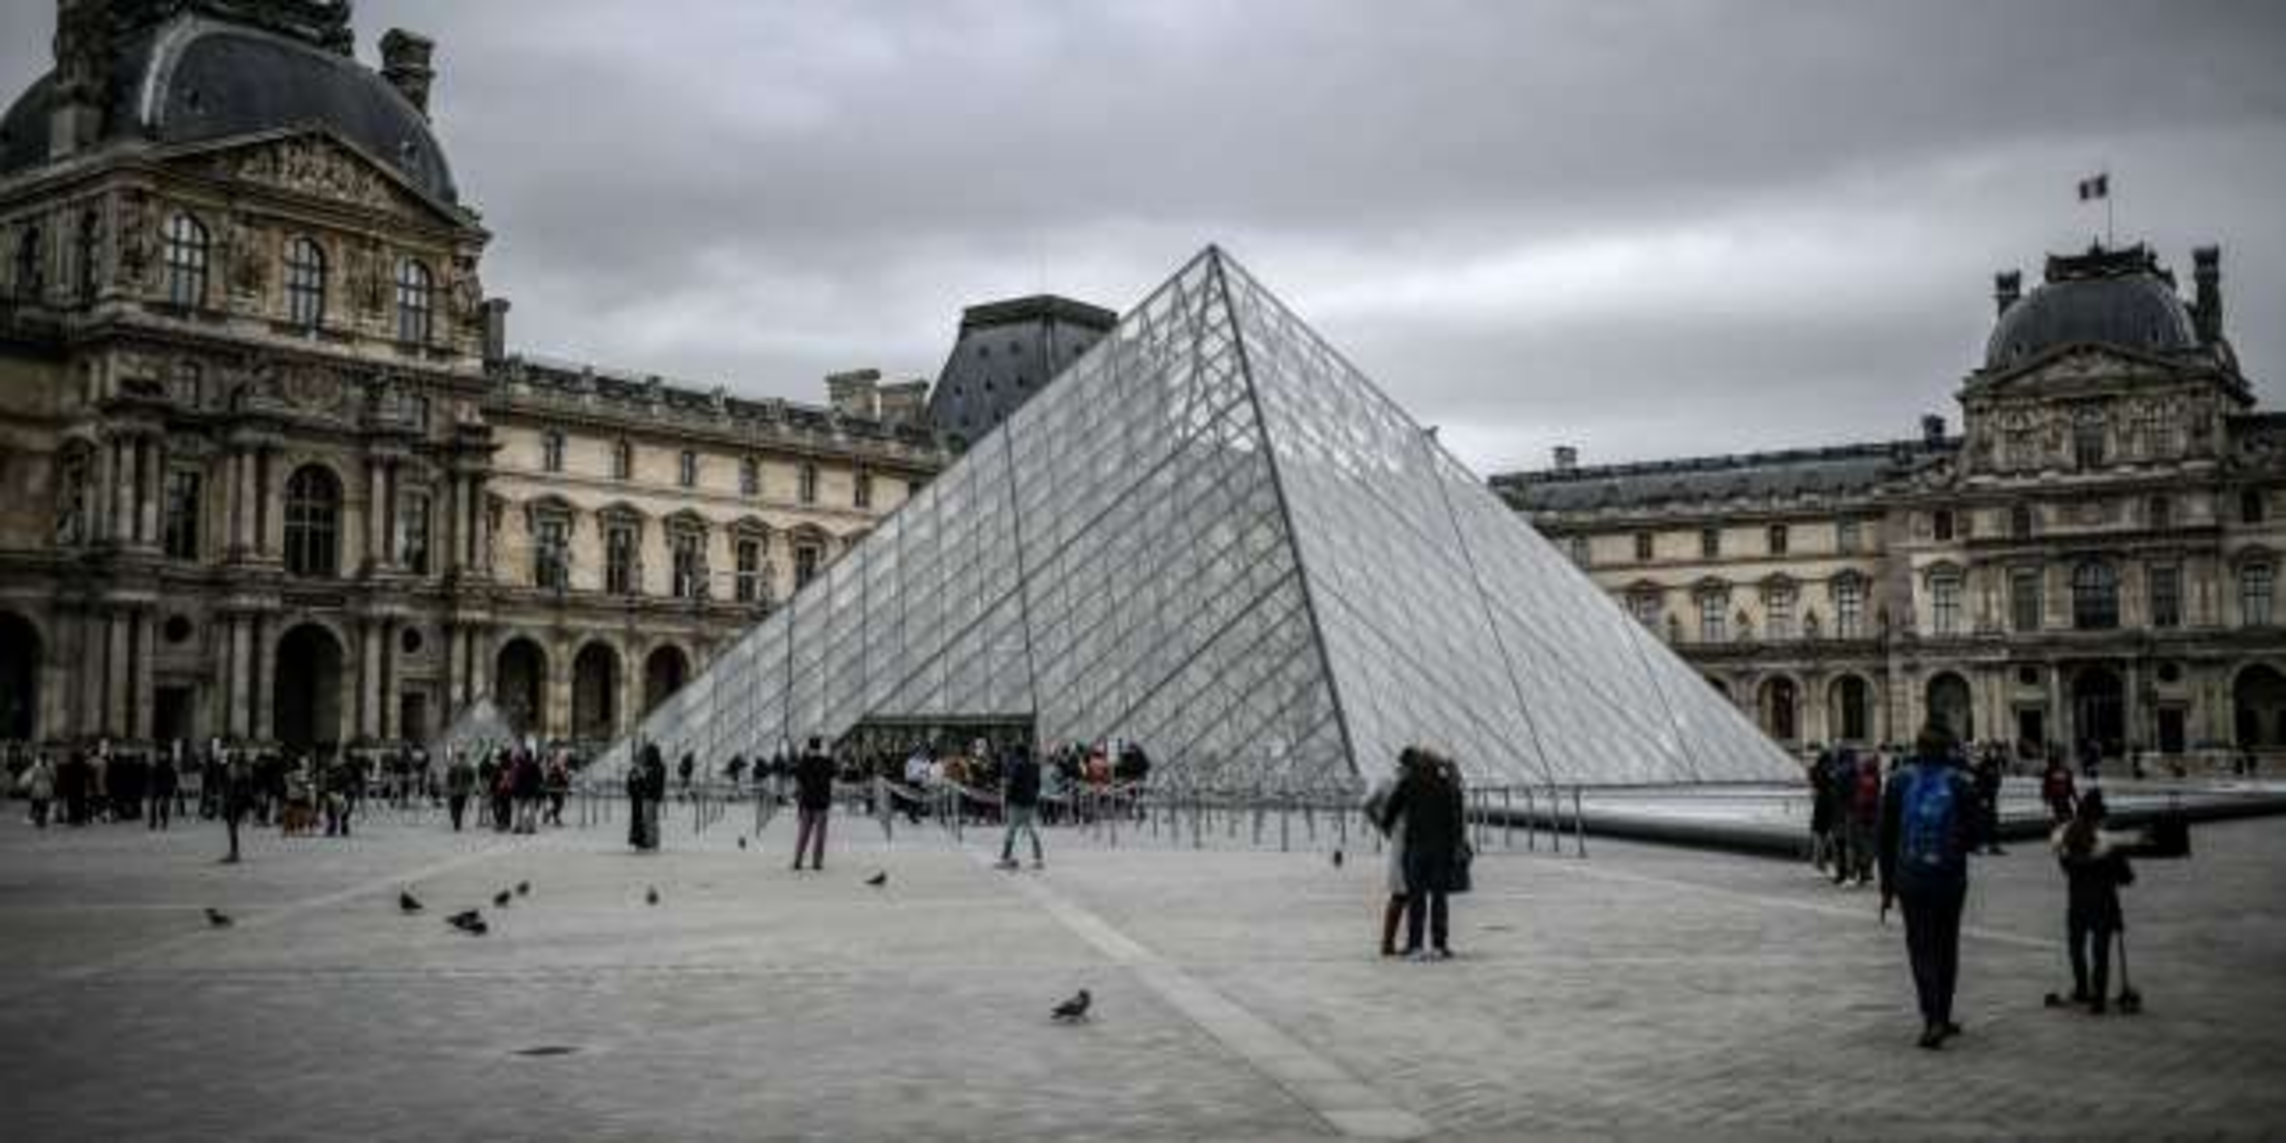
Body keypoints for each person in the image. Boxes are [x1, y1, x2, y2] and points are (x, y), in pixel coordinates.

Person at [1878, 723, 1985, 1050]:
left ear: (1917, 748)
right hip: (1949, 878)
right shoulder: (1960, 783)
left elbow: (1885, 837)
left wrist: (1886, 887)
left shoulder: (1898, 781)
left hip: (1910, 878)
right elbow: (1977, 835)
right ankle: (1944, 1014)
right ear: (1946, 751)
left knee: (1921, 947)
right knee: (1946, 945)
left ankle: (1932, 1017)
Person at [2052, 790, 2134, 1014]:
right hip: (2104, 903)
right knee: (2100, 950)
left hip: (2077, 902)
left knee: (2076, 946)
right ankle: (2098, 997)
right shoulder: (2108, 845)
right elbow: (2126, 878)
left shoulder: (2067, 841)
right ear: (2099, 818)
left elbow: (2066, 866)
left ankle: (2081, 989)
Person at [1385, 747, 1467, 960]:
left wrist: (1389, 828)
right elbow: (1457, 817)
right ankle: (1439, 945)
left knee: (1416, 898)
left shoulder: (1409, 783)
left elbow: (1391, 809)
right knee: (1439, 898)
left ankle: (1416, 947)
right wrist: (1457, 843)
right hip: (1441, 850)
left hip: (1416, 848)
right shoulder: (1447, 785)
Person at [1362, 760, 1410, 957]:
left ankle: (1389, 942)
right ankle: (1400, 943)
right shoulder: (1410, 783)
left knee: (1399, 894)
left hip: (1398, 841)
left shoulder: (1386, 782)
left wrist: (1382, 827)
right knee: (1406, 895)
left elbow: (1366, 805)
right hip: (1411, 843)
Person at [997, 745, 1045, 870]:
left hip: (1016, 804)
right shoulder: (1035, 767)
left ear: (1018, 755)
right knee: (1033, 831)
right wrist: (1034, 797)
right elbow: (1038, 784)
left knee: (1011, 831)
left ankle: (1006, 858)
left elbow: (1012, 785)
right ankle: (1039, 859)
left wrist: (1007, 799)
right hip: (1031, 803)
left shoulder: (1016, 767)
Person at [791, 737, 835, 871]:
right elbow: (833, 773)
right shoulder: (826, 762)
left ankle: (798, 860)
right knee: (820, 834)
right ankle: (817, 862)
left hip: (807, 802)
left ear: (809, 747)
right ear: (819, 748)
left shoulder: (804, 762)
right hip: (821, 803)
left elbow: (798, 777)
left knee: (803, 833)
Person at [1972, 747, 2006, 855]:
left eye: (1995, 752)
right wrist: (1982, 797)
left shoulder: (1996, 765)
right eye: (1992, 751)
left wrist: (1995, 787)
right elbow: (1978, 781)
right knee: (1981, 823)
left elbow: (1997, 780)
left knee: (1993, 822)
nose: (1994, 753)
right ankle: (1979, 845)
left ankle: (1994, 845)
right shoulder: (1983, 765)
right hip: (1983, 797)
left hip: (1992, 797)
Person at [19, 752, 56, 828]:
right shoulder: (49, 766)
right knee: (44, 802)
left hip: (38, 786)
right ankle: (41, 818)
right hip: (46, 785)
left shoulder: (36, 766)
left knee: (37, 802)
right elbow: (53, 777)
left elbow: (33, 777)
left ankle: (36, 817)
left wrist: (30, 785)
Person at [2040, 753, 2077, 825]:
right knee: (2061, 814)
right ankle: (2062, 823)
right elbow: (2046, 785)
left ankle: (2066, 823)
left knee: (2068, 814)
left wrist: (2075, 797)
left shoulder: (2064, 771)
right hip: (2056, 798)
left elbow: (2070, 785)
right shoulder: (2049, 772)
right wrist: (2046, 797)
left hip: (2062, 797)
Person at [445, 750, 475, 832]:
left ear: (458, 757)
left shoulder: (453, 767)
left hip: (454, 790)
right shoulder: (468, 767)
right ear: (464, 757)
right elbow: (472, 779)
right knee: (460, 807)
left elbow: (449, 778)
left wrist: (448, 787)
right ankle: (457, 822)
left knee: (454, 806)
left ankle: (456, 820)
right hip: (463, 791)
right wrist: (470, 788)